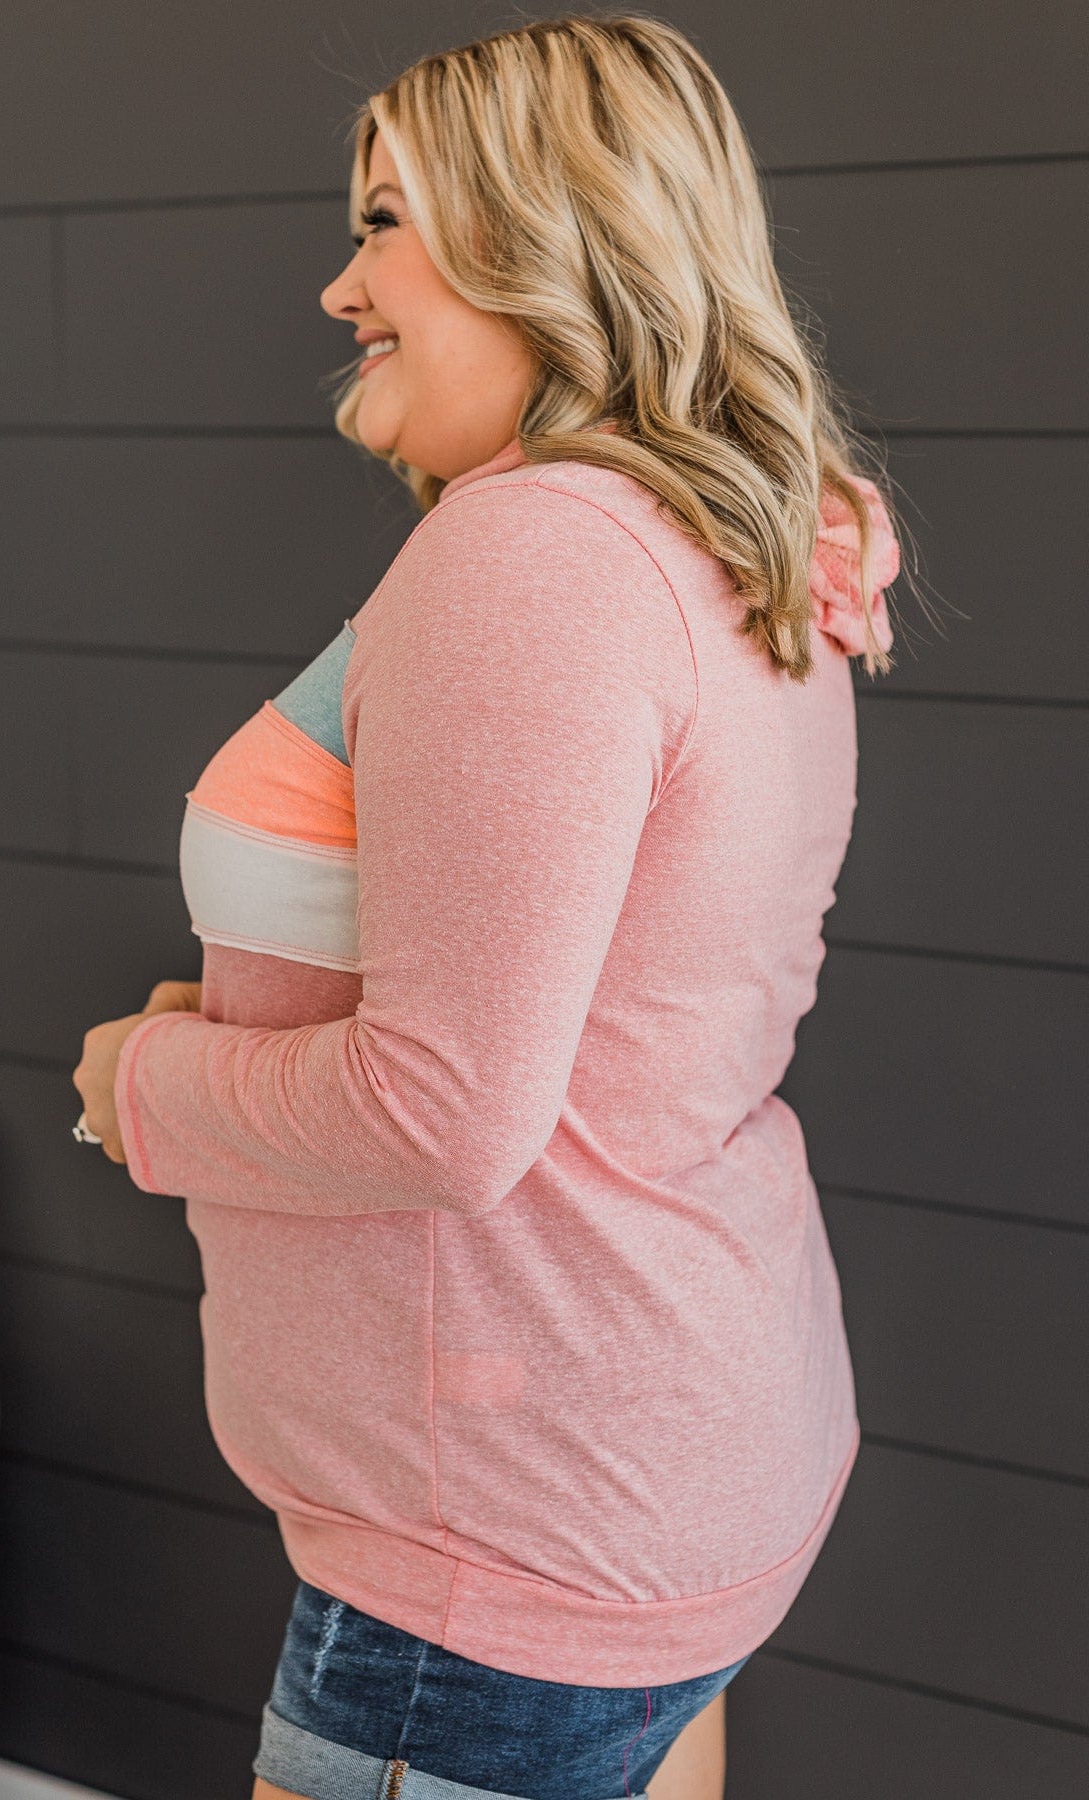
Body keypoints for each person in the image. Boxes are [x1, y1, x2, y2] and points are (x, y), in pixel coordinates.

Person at [72, 14, 905, 1800]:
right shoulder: (726, 543)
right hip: (663, 1462)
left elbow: (444, 1111)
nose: (339, 286)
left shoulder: (538, 554)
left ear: (546, 233)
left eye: (384, 222)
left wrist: (143, 1083)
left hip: (507, 1545)